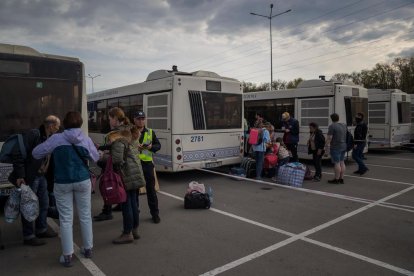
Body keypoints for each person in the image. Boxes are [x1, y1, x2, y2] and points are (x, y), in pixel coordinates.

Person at [33, 111, 99, 267]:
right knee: (85, 215)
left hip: (62, 182)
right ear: (81, 123)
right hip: (82, 180)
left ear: (64, 123)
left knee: (65, 219)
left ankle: (67, 255)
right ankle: (88, 248)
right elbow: (95, 157)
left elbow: (36, 153)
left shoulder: (57, 138)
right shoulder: (85, 138)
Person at [8, 115, 61, 246]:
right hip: (30, 176)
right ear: (51, 126)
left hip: (41, 176)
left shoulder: (49, 137)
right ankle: (28, 236)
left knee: (44, 203)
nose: (59, 129)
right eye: (57, 126)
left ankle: (41, 229)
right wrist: (21, 175)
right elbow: (18, 153)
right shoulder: (34, 134)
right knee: (28, 205)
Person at [107, 130, 146, 244]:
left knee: (126, 205)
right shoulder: (131, 143)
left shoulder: (119, 142)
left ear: (114, 137)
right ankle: (134, 230)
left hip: (127, 177)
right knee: (133, 204)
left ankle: (127, 233)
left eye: (109, 139)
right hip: (135, 176)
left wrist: (108, 154)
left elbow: (117, 160)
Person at [94, 107, 131, 221]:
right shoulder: (128, 129)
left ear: (115, 118)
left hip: (118, 165)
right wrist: (101, 147)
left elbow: (114, 153)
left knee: (109, 184)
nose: (109, 121)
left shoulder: (114, 133)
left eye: (110, 118)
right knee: (122, 187)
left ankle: (107, 211)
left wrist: (101, 155)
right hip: (128, 165)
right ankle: (119, 204)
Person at [133, 111, 162, 224]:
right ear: (134, 120)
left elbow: (158, 145)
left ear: (145, 120)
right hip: (135, 165)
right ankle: (136, 214)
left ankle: (155, 214)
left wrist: (151, 147)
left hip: (147, 165)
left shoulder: (150, 132)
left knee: (151, 191)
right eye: (138, 118)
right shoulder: (130, 132)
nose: (141, 120)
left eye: (142, 118)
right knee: (134, 192)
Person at [325, 113, 347, 184]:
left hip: (335, 147)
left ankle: (336, 179)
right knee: (342, 162)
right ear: (338, 118)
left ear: (331, 119)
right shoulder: (343, 125)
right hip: (343, 146)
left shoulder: (332, 126)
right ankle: (341, 178)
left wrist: (326, 146)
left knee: (337, 163)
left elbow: (329, 138)